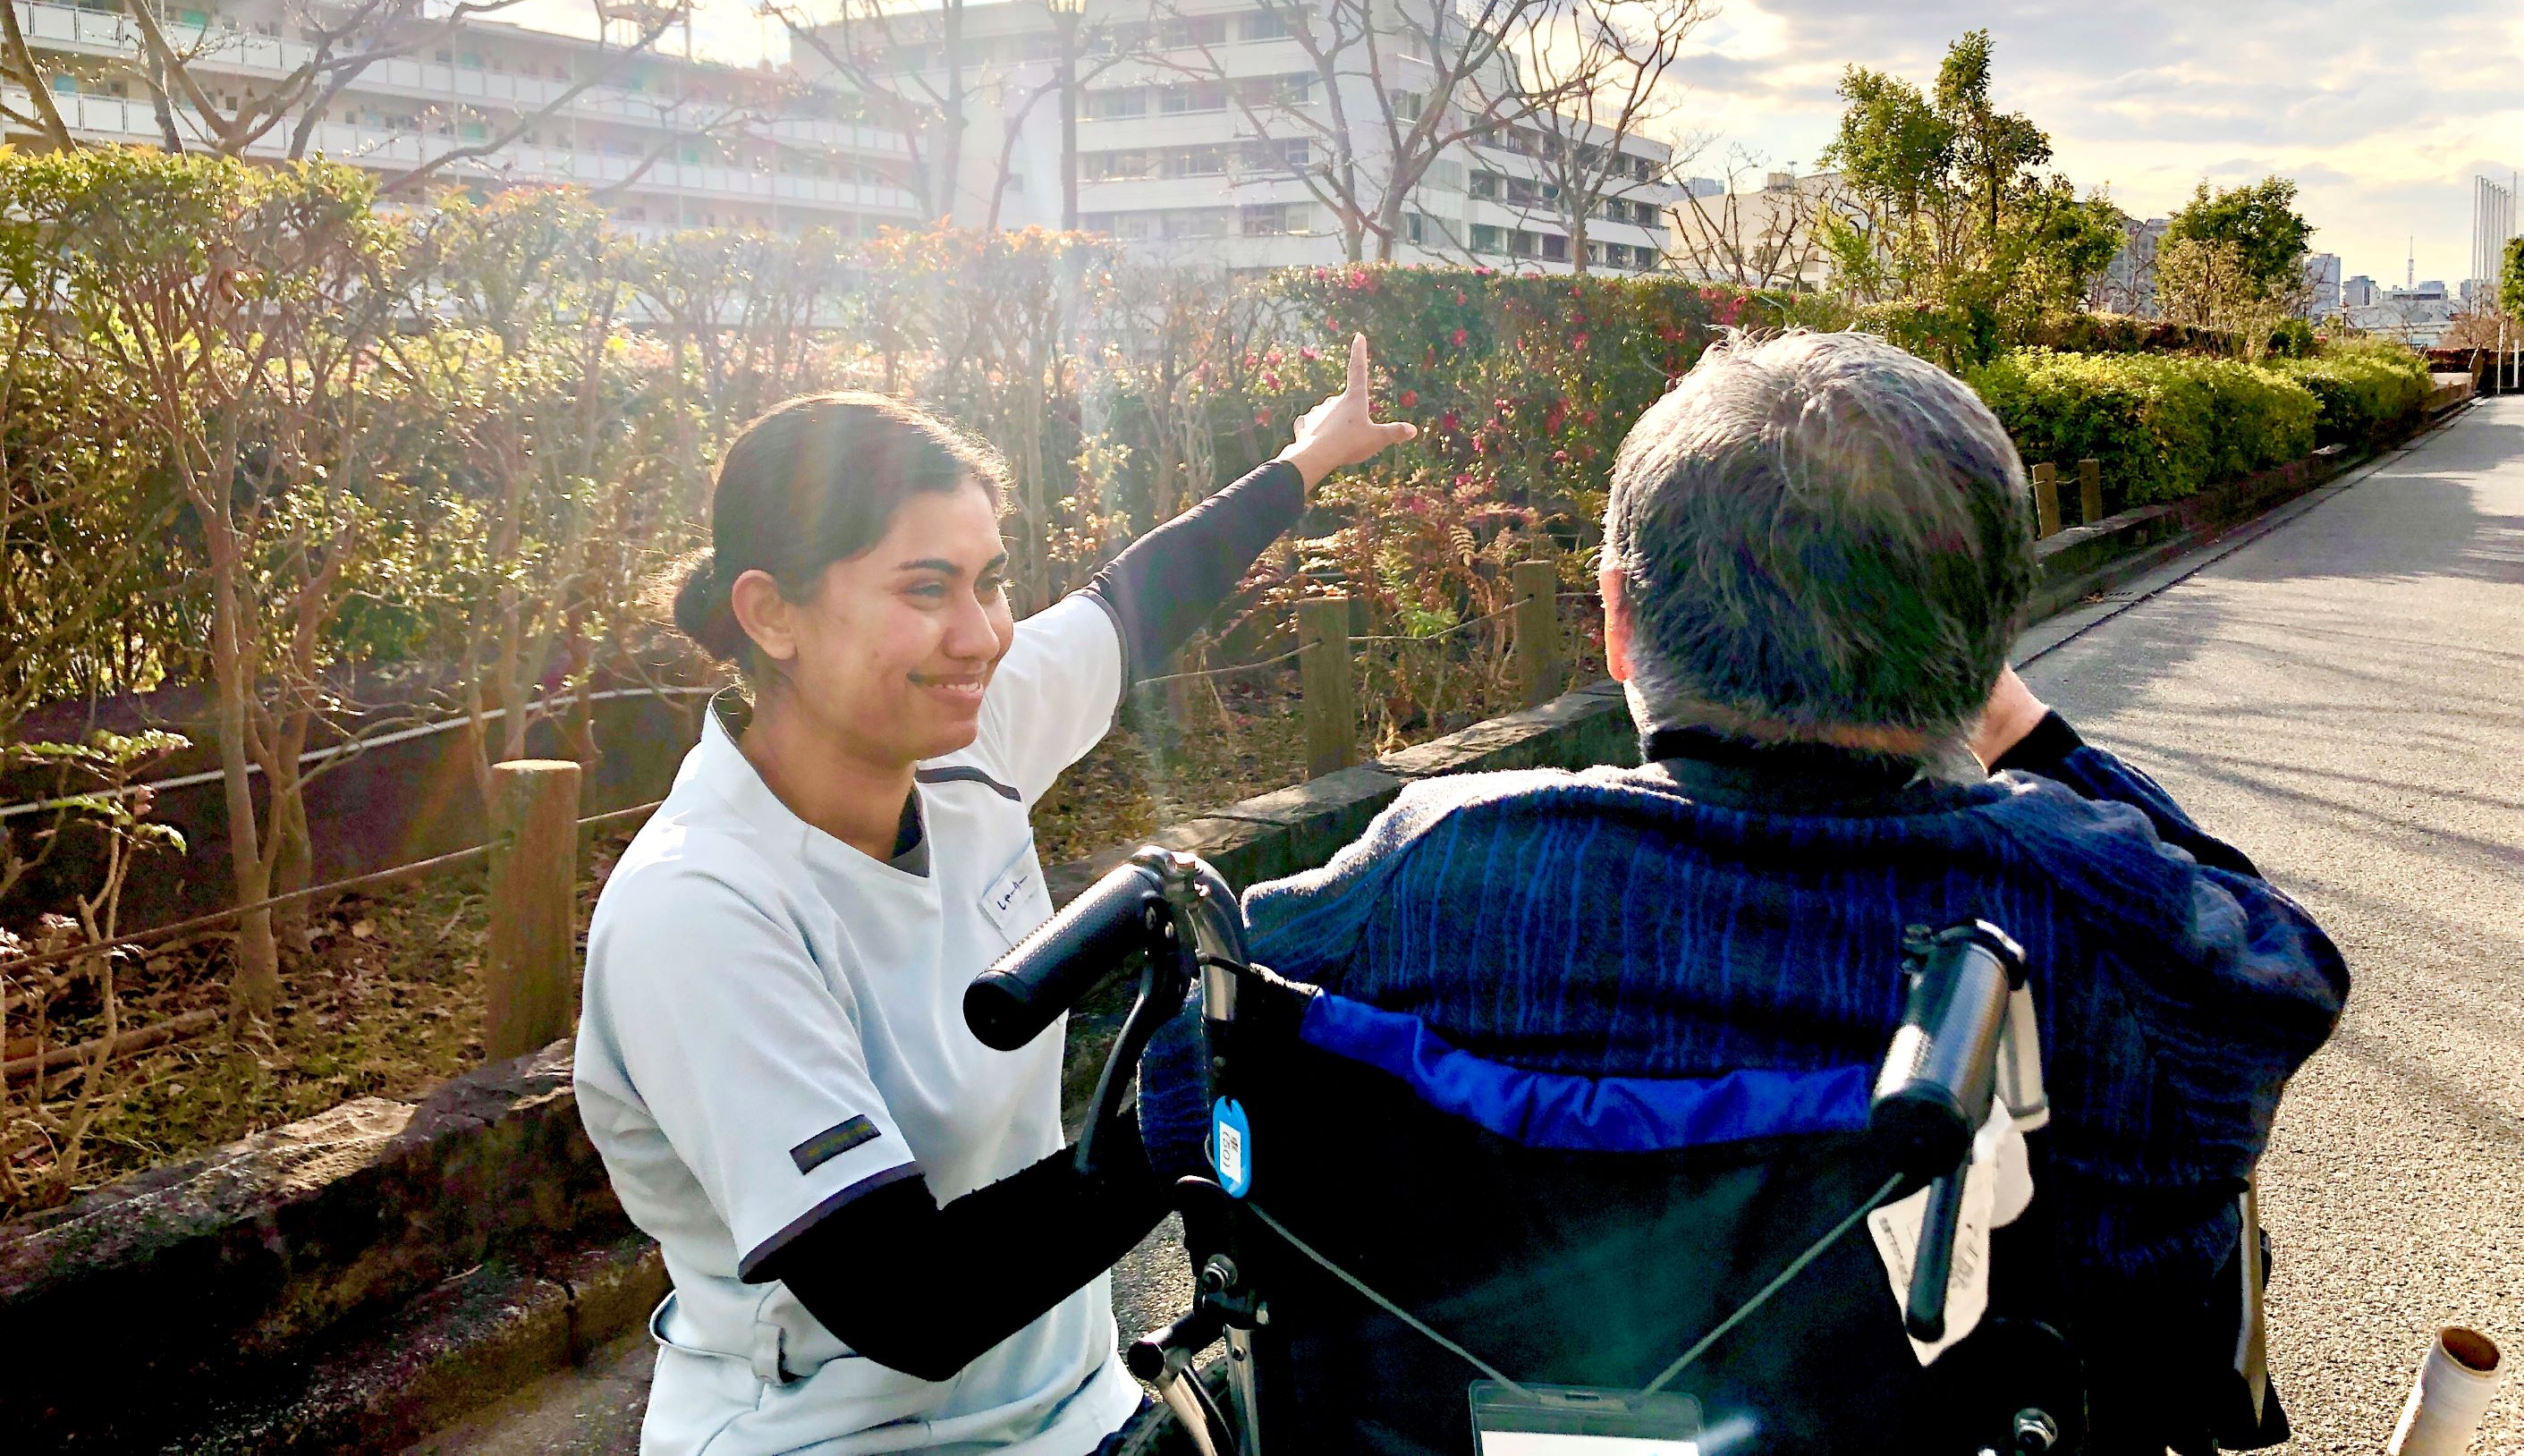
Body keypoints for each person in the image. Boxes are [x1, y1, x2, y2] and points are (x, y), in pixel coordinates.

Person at [1138, 330, 2350, 1451]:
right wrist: (2025, 730)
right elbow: (2278, 981)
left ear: (1616, 619)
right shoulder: (2084, 909)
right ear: (1989, 641)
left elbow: (1187, 1082)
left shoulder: (1430, 863)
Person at [574, 338, 1413, 1456]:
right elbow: (906, 1296)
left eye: (989, 579)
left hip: (1081, 1400)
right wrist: (1183, 1118)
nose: (981, 634)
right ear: (771, 613)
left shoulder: (965, 728)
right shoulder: (699, 910)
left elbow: (1137, 600)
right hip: (845, 1434)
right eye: (925, 588)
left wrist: (1305, 460)